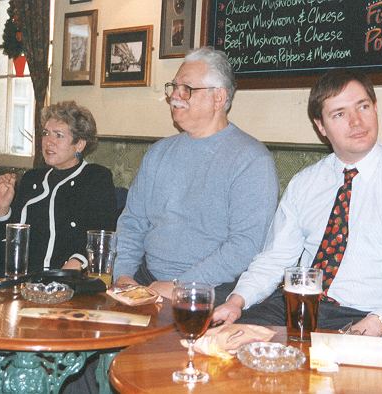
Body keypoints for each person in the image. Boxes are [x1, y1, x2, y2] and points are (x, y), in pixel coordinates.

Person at [213, 69, 382, 337]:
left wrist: (380, 321)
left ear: (375, 108)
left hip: (364, 313)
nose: (356, 121)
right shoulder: (305, 183)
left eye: (363, 106)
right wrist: (237, 301)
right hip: (298, 304)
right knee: (220, 345)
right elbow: (275, 258)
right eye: (339, 114)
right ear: (321, 126)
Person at [113, 47, 279, 303]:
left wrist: (182, 285)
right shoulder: (158, 153)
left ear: (218, 98)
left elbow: (245, 245)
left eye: (187, 89)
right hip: (147, 281)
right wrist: (123, 275)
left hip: (212, 290)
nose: (175, 97)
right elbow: (133, 222)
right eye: (174, 87)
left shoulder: (252, 160)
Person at [0, 100, 117, 277]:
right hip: (15, 275)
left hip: (61, 279)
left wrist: (76, 263)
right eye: (46, 133)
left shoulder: (95, 178)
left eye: (58, 135)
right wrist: (3, 207)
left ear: (80, 144)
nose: (48, 142)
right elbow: (5, 239)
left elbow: (102, 232)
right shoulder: (32, 178)